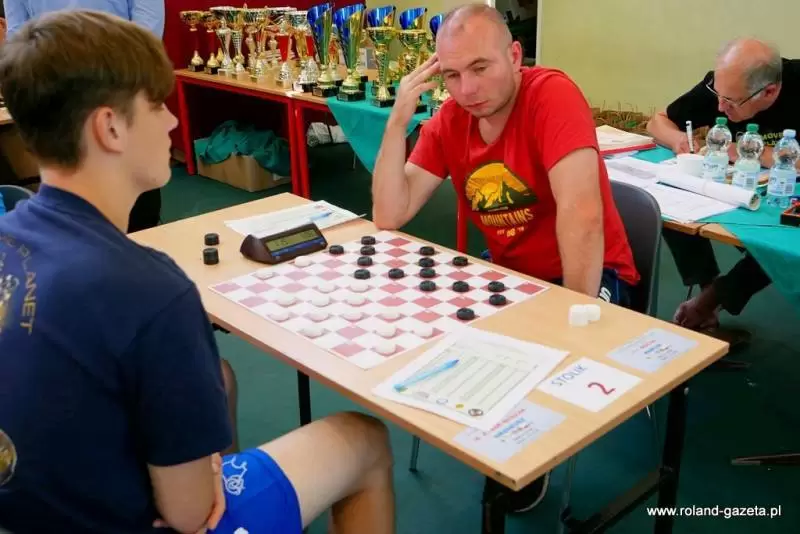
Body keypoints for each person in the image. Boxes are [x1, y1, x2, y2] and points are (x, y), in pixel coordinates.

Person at [0, 10, 395, 534]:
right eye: (156, 104)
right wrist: (202, 476)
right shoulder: (154, 290)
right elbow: (188, 515)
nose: (171, 122)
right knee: (365, 439)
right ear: (110, 127)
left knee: (220, 377)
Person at [372, 4, 638, 511]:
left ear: (515, 56)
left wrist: (568, 320)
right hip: (511, 276)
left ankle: (531, 451)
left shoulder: (551, 93)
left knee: (530, 353)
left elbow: (582, 217)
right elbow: (389, 213)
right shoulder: (450, 119)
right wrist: (397, 121)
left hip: (590, 274)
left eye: (480, 67)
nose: (467, 90)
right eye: (452, 75)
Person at [646, 39, 800, 335]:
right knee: (667, 200)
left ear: (769, 91)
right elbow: (658, 122)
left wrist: (751, 153)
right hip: (737, 187)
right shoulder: (725, 85)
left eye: (731, 102)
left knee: (778, 239)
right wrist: (678, 140)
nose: (719, 106)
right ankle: (707, 284)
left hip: (784, 197)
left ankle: (713, 297)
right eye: (718, 95)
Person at [3, 0, 166, 233]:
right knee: (72, 196)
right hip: (55, 93)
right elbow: (18, 34)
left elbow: (148, 25)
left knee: (136, 204)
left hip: (120, 85)